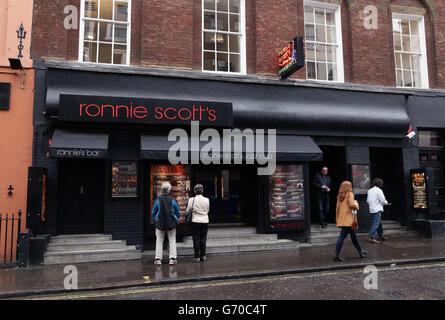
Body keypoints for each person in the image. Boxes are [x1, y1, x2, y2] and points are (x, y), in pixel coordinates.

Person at [334, 181, 367, 262]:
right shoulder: (350, 194)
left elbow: (337, 208)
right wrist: (357, 205)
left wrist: (337, 218)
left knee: (353, 236)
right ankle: (336, 255)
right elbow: (352, 205)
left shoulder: (340, 196)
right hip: (349, 220)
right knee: (342, 238)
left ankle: (361, 251)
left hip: (343, 219)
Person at [151, 182, 181, 266]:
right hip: (171, 223)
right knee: (172, 240)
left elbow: (153, 212)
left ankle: (158, 259)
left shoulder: (158, 200)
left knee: (159, 241)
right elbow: (178, 212)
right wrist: (175, 218)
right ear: (169, 190)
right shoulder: (173, 199)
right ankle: (172, 259)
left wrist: (156, 219)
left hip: (159, 224)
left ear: (162, 190)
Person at [186, 184, 210, 263]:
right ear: (202, 190)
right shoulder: (207, 199)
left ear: (195, 191)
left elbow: (188, 210)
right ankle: (203, 255)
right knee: (203, 238)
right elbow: (207, 210)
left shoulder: (192, 200)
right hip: (205, 221)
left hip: (195, 221)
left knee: (196, 238)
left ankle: (197, 257)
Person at [367, 178, 390, 244]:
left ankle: (381, 235)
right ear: (380, 184)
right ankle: (371, 237)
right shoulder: (379, 190)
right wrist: (386, 203)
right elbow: (383, 200)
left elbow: (368, 201)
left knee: (378, 222)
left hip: (372, 209)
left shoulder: (369, 190)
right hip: (377, 209)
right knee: (376, 223)